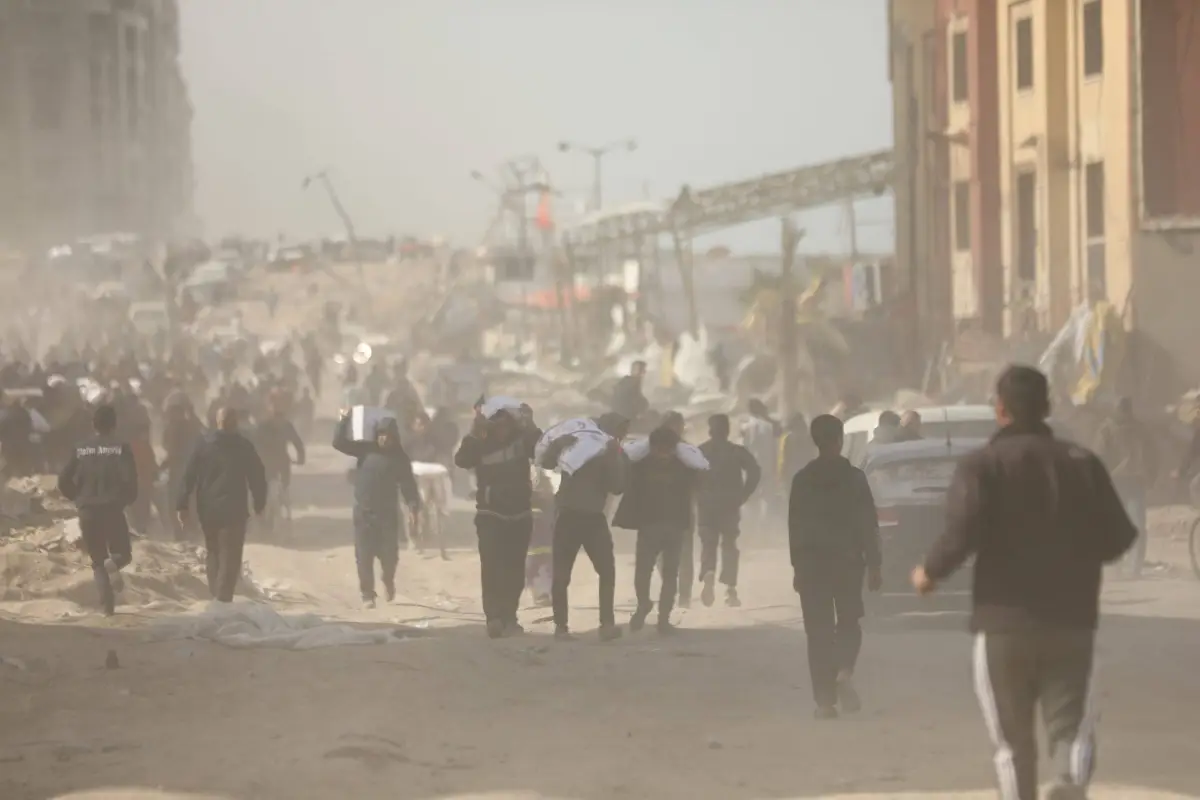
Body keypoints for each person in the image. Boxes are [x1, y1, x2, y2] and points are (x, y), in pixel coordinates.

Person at [912, 365, 1136, 800]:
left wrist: (930, 572)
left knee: (1012, 745)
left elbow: (962, 532)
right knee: (1071, 729)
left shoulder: (982, 466)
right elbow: (1118, 539)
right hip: (1072, 623)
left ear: (1000, 410)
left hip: (1002, 626)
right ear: (1048, 407)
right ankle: (1069, 781)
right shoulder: (1082, 463)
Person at [788, 414, 882, 720]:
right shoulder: (855, 479)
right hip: (848, 563)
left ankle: (825, 703)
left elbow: (795, 528)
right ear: (840, 439)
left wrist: (797, 567)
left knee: (818, 632)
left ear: (815, 440)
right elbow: (869, 524)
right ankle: (844, 670)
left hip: (812, 565)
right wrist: (875, 564)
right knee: (849, 622)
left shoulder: (802, 480)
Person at [454, 404, 542, 638]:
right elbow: (461, 460)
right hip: (490, 514)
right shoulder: (481, 442)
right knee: (492, 567)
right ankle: (493, 617)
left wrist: (530, 425)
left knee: (515, 569)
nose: (502, 430)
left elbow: (542, 451)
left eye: (507, 425)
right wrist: (474, 432)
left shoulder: (523, 441)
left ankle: (509, 617)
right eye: (498, 425)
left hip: (520, 514)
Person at [541, 412, 628, 642]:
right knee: (575, 573)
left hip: (582, 517)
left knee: (577, 572)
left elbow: (617, 486)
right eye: (621, 430)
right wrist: (557, 445)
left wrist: (612, 457)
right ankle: (585, 626)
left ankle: (582, 626)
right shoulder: (590, 446)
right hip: (578, 517)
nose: (623, 436)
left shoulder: (605, 450)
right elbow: (547, 463)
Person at [176, 407, 268, 603]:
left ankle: (216, 595)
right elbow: (257, 476)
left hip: (208, 509)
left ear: (218, 422)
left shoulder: (204, 445)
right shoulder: (243, 446)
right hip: (234, 511)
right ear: (236, 423)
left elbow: (188, 476)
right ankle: (222, 599)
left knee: (214, 552)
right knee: (231, 556)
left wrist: (182, 505)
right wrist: (260, 504)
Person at [613, 426, 698, 633]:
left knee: (645, 571)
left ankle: (646, 606)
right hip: (672, 526)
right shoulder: (683, 466)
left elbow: (624, 478)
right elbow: (698, 484)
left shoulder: (642, 466)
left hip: (652, 526)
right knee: (669, 574)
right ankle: (663, 620)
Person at [56, 404, 139, 616]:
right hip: (112, 508)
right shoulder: (121, 447)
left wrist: (77, 497)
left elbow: (63, 479)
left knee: (98, 560)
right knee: (123, 554)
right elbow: (130, 480)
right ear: (114, 424)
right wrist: (127, 499)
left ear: (93, 424)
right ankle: (115, 563)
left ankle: (107, 609)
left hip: (87, 510)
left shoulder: (80, 448)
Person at [333, 413, 422, 608]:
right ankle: (367, 594)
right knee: (363, 556)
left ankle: (388, 580)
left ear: (394, 437)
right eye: (380, 434)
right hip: (363, 514)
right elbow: (339, 443)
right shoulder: (365, 450)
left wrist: (414, 509)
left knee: (390, 556)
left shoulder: (400, 459)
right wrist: (343, 420)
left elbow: (409, 486)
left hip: (388, 515)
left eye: (387, 435)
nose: (383, 438)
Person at [697, 413, 761, 608]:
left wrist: (697, 494)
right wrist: (744, 494)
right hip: (730, 505)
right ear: (727, 431)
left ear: (710, 430)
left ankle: (708, 572)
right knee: (729, 545)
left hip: (706, 505)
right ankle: (730, 590)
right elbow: (755, 471)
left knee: (708, 543)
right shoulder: (736, 451)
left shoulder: (700, 451)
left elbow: (688, 474)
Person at [1094, 396, 1157, 577]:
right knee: (1115, 524)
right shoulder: (1106, 430)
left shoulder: (1140, 429)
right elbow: (1099, 456)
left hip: (1135, 482)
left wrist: (1149, 476)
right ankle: (1117, 566)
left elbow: (1152, 454)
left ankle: (1134, 567)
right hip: (1115, 482)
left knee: (1137, 524)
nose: (1124, 414)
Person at [610, 361, 649, 425]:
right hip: (625, 415)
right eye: (640, 369)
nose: (644, 371)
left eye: (643, 369)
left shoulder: (636, 381)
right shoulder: (628, 382)